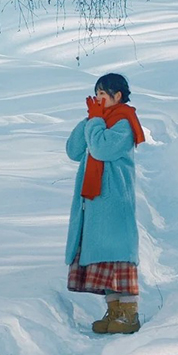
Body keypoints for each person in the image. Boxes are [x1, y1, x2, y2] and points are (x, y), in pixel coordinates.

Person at [65, 72, 145, 334]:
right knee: (103, 257)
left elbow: (101, 149)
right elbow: (74, 151)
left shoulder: (123, 122)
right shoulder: (99, 121)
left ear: (117, 96)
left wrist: (96, 121)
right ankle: (113, 311)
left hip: (114, 201)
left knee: (118, 254)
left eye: (102, 95)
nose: (97, 99)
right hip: (96, 203)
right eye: (96, 95)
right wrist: (89, 119)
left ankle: (129, 314)